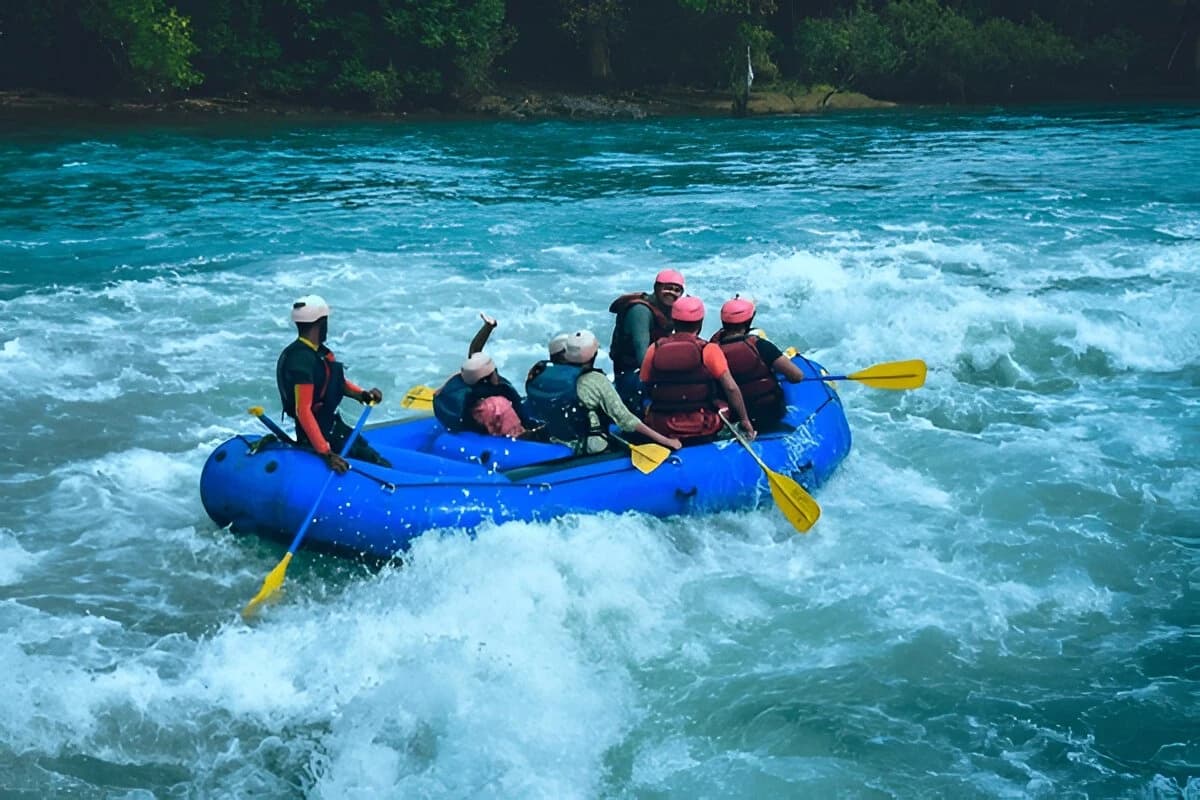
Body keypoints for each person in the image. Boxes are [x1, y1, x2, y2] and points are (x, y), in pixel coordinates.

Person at [276, 294, 390, 473]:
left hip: (333, 427)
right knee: (380, 467)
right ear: (320, 323)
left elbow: (338, 383)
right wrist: (326, 452)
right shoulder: (301, 359)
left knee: (373, 457)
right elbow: (303, 410)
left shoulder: (319, 353)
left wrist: (363, 395)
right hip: (320, 434)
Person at [525, 330, 682, 455]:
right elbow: (626, 421)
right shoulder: (595, 380)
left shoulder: (543, 370)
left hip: (552, 437)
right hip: (587, 445)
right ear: (594, 354)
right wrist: (666, 441)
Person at [639, 296, 756, 444]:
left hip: (661, 425)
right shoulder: (708, 350)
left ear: (673, 321)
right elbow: (731, 388)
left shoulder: (654, 348)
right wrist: (744, 420)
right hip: (701, 425)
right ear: (700, 323)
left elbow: (643, 383)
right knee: (723, 406)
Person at [433, 313, 541, 438]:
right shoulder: (498, 407)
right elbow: (519, 438)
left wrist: (488, 327)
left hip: (464, 430)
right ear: (488, 377)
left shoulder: (463, 384)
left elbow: (474, 352)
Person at [711, 295, 807, 429]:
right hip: (769, 412)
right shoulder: (760, 345)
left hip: (737, 416)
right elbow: (797, 376)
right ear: (748, 322)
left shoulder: (712, 350)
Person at [608, 268, 685, 412]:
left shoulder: (668, 309)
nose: (672, 293)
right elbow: (641, 355)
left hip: (650, 368)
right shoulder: (640, 311)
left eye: (677, 290)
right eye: (667, 288)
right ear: (656, 287)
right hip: (631, 373)